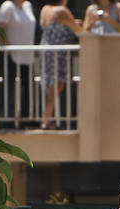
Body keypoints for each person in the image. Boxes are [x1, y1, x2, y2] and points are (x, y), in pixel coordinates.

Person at [39, 1, 85, 129]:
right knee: (57, 84)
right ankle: (46, 118)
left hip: (46, 50)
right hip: (58, 52)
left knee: (50, 84)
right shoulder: (62, 11)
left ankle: (48, 118)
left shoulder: (45, 9)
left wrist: (72, 22)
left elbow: (56, 25)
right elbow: (80, 31)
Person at [0, 0, 38, 127]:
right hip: (10, 55)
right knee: (9, 87)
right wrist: (6, 46)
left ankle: (28, 118)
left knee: (29, 87)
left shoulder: (28, 6)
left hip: (27, 56)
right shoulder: (7, 6)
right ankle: (7, 120)